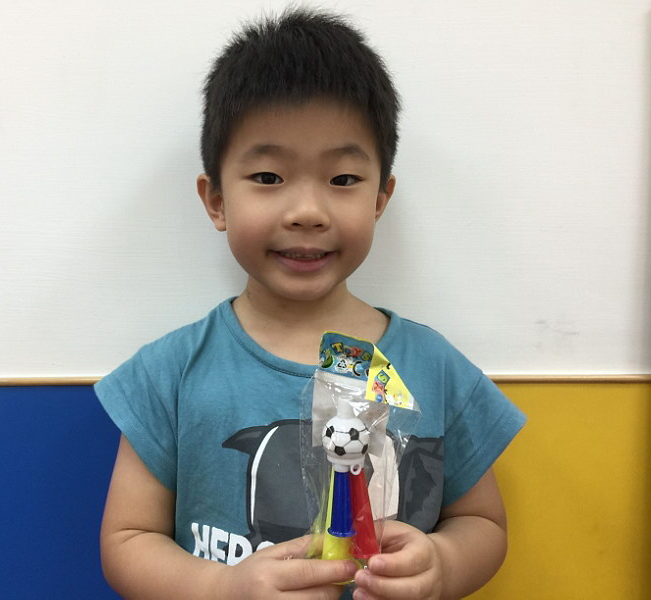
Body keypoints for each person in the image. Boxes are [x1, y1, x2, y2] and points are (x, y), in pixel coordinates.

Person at [95, 8, 526, 600]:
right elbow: (127, 539)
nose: (307, 211)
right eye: (268, 177)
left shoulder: (436, 366)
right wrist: (223, 590)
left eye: (343, 180)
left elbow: (483, 523)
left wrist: (444, 565)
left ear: (380, 198)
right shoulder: (168, 372)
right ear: (216, 200)